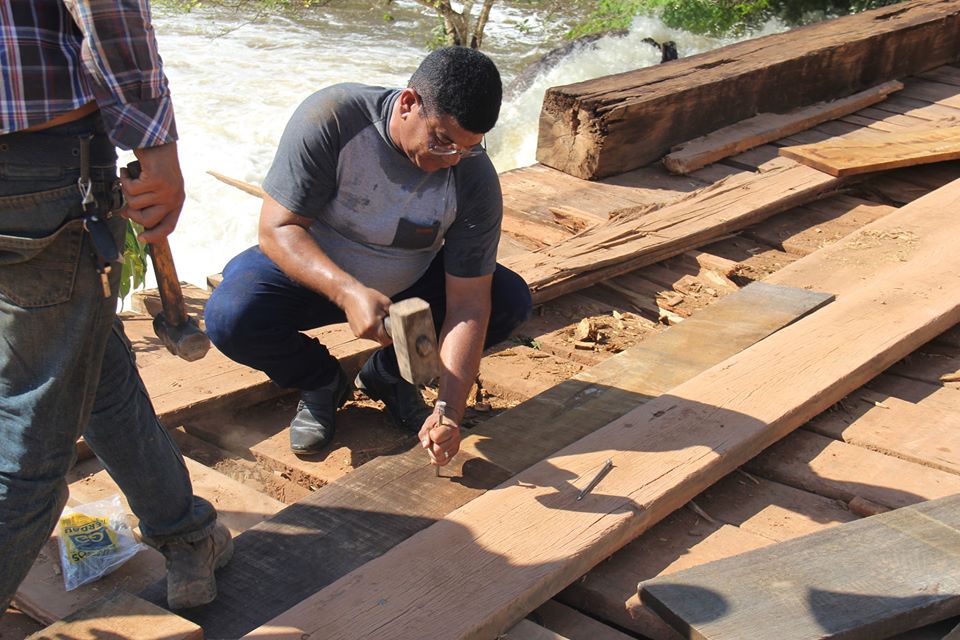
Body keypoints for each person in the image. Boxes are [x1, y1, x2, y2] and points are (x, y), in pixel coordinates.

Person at [0, 0, 232, 612]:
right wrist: (155, 143)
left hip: (31, 178)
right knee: (30, 450)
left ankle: (185, 532)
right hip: (41, 168)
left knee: (92, 360)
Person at [204, 47, 532, 465]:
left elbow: (469, 302)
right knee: (231, 316)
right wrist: (348, 292)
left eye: (467, 148)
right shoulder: (334, 118)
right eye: (442, 141)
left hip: (406, 284)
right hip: (313, 272)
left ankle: (388, 375)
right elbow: (277, 229)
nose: (451, 158)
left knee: (507, 299)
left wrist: (450, 409)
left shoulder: (472, 174)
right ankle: (321, 381)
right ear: (408, 103)